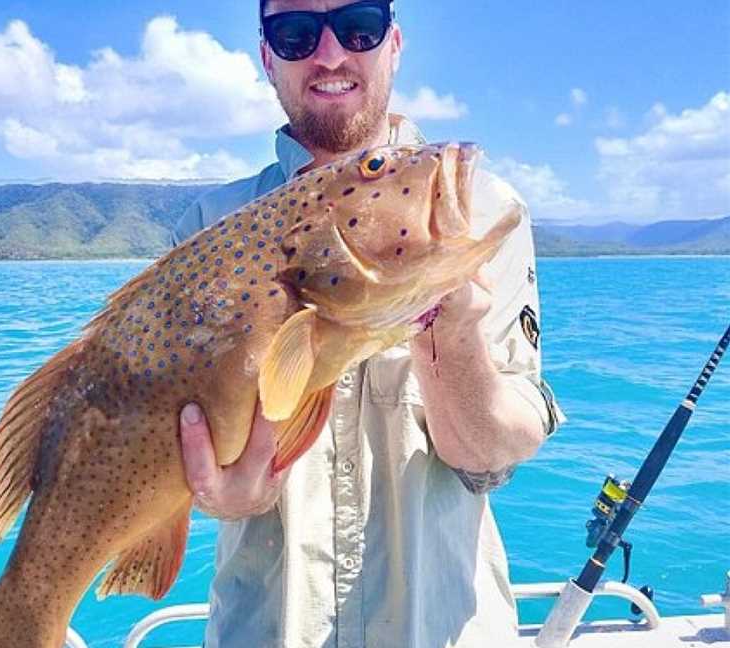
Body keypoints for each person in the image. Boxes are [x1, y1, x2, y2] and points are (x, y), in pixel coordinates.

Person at [170, 1, 565, 646]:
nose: (330, 54)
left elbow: (490, 456)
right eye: (296, 34)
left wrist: (453, 336)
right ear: (268, 56)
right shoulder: (207, 230)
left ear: (395, 43)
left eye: (359, 27)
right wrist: (215, 493)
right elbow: (173, 437)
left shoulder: (481, 208)